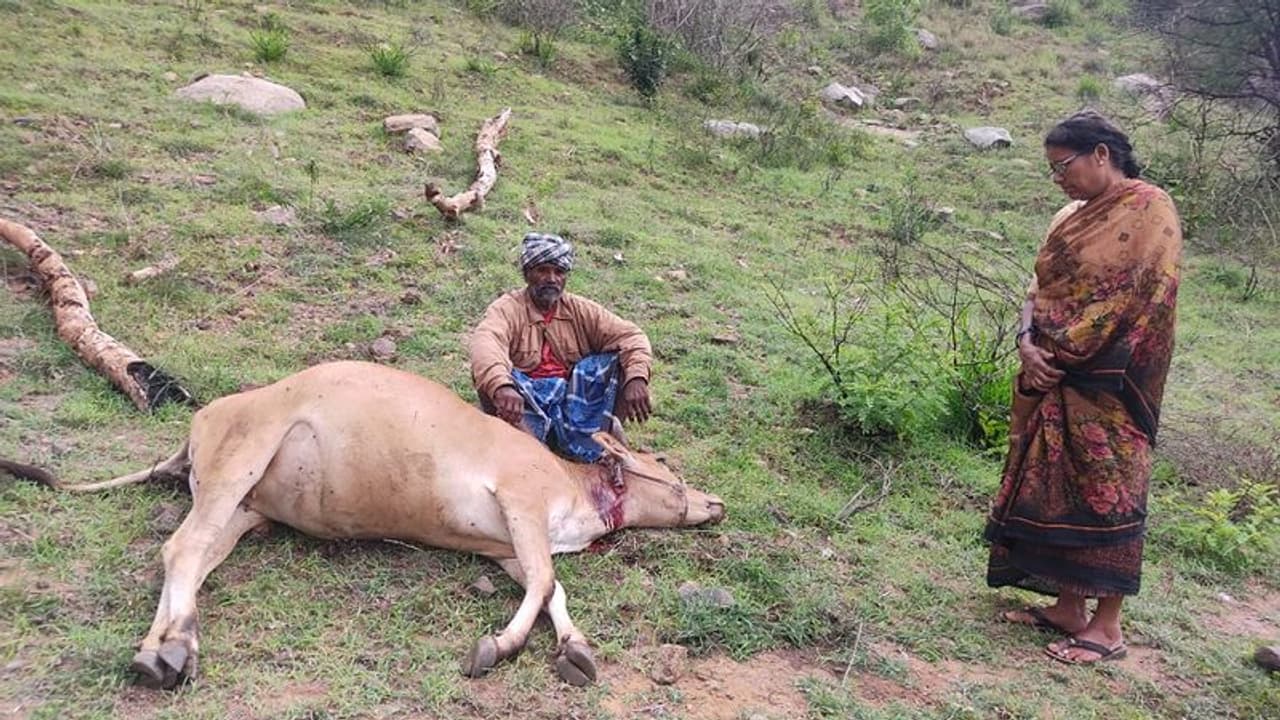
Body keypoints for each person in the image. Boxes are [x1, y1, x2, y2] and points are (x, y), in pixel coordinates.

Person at [984, 111, 1182, 665]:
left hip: (1112, 380)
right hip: (1050, 368)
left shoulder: (1151, 208)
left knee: (1108, 493)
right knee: (1058, 483)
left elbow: (1142, 296)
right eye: (1051, 170)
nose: (1059, 179)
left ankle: (1108, 627)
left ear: (1101, 154)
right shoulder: (1070, 215)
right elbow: (1037, 288)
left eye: (1063, 165)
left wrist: (1066, 351)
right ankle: (1069, 606)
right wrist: (1028, 345)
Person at [469, 232, 654, 462]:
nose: (552, 278)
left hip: (572, 400)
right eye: (543, 270)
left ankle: (602, 443)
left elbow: (632, 337)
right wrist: (502, 386)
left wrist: (637, 378)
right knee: (493, 379)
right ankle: (536, 456)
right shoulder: (506, 309)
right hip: (526, 401)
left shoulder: (579, 309)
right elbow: (485, 343)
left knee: (619, 362)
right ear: (527, 274)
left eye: (559, 272)